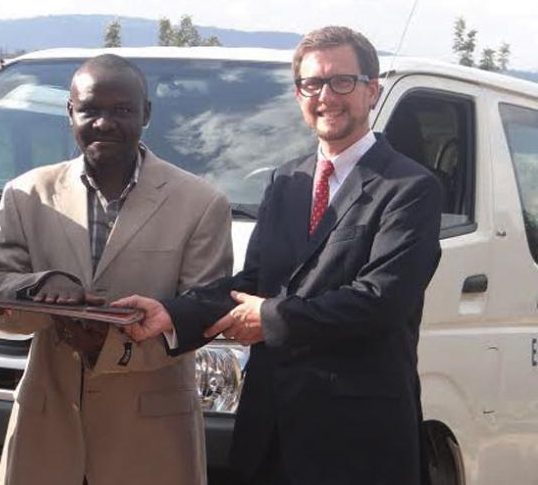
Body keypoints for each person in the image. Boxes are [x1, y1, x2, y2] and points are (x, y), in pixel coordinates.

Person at [115, 26, 442, 484]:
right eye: (313, 84)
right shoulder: (286, 181)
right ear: (298, 96)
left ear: (372, 91)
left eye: (341, 81)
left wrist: (270, 319)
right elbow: (253, 283)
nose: (326, 95)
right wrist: (171, 313)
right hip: (272, 431)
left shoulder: (410, 189)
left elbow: (380, 301)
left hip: (357, 440)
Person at [0, 54, 233, 485]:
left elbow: (203, 316)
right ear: (70, 112)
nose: (104, 123)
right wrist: (41, 287)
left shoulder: (201, 203)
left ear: (146, 114)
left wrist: (109, 343)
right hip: (48, 429)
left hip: (150, 436)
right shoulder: (26, 194)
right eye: (91, 110)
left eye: (122, 110)